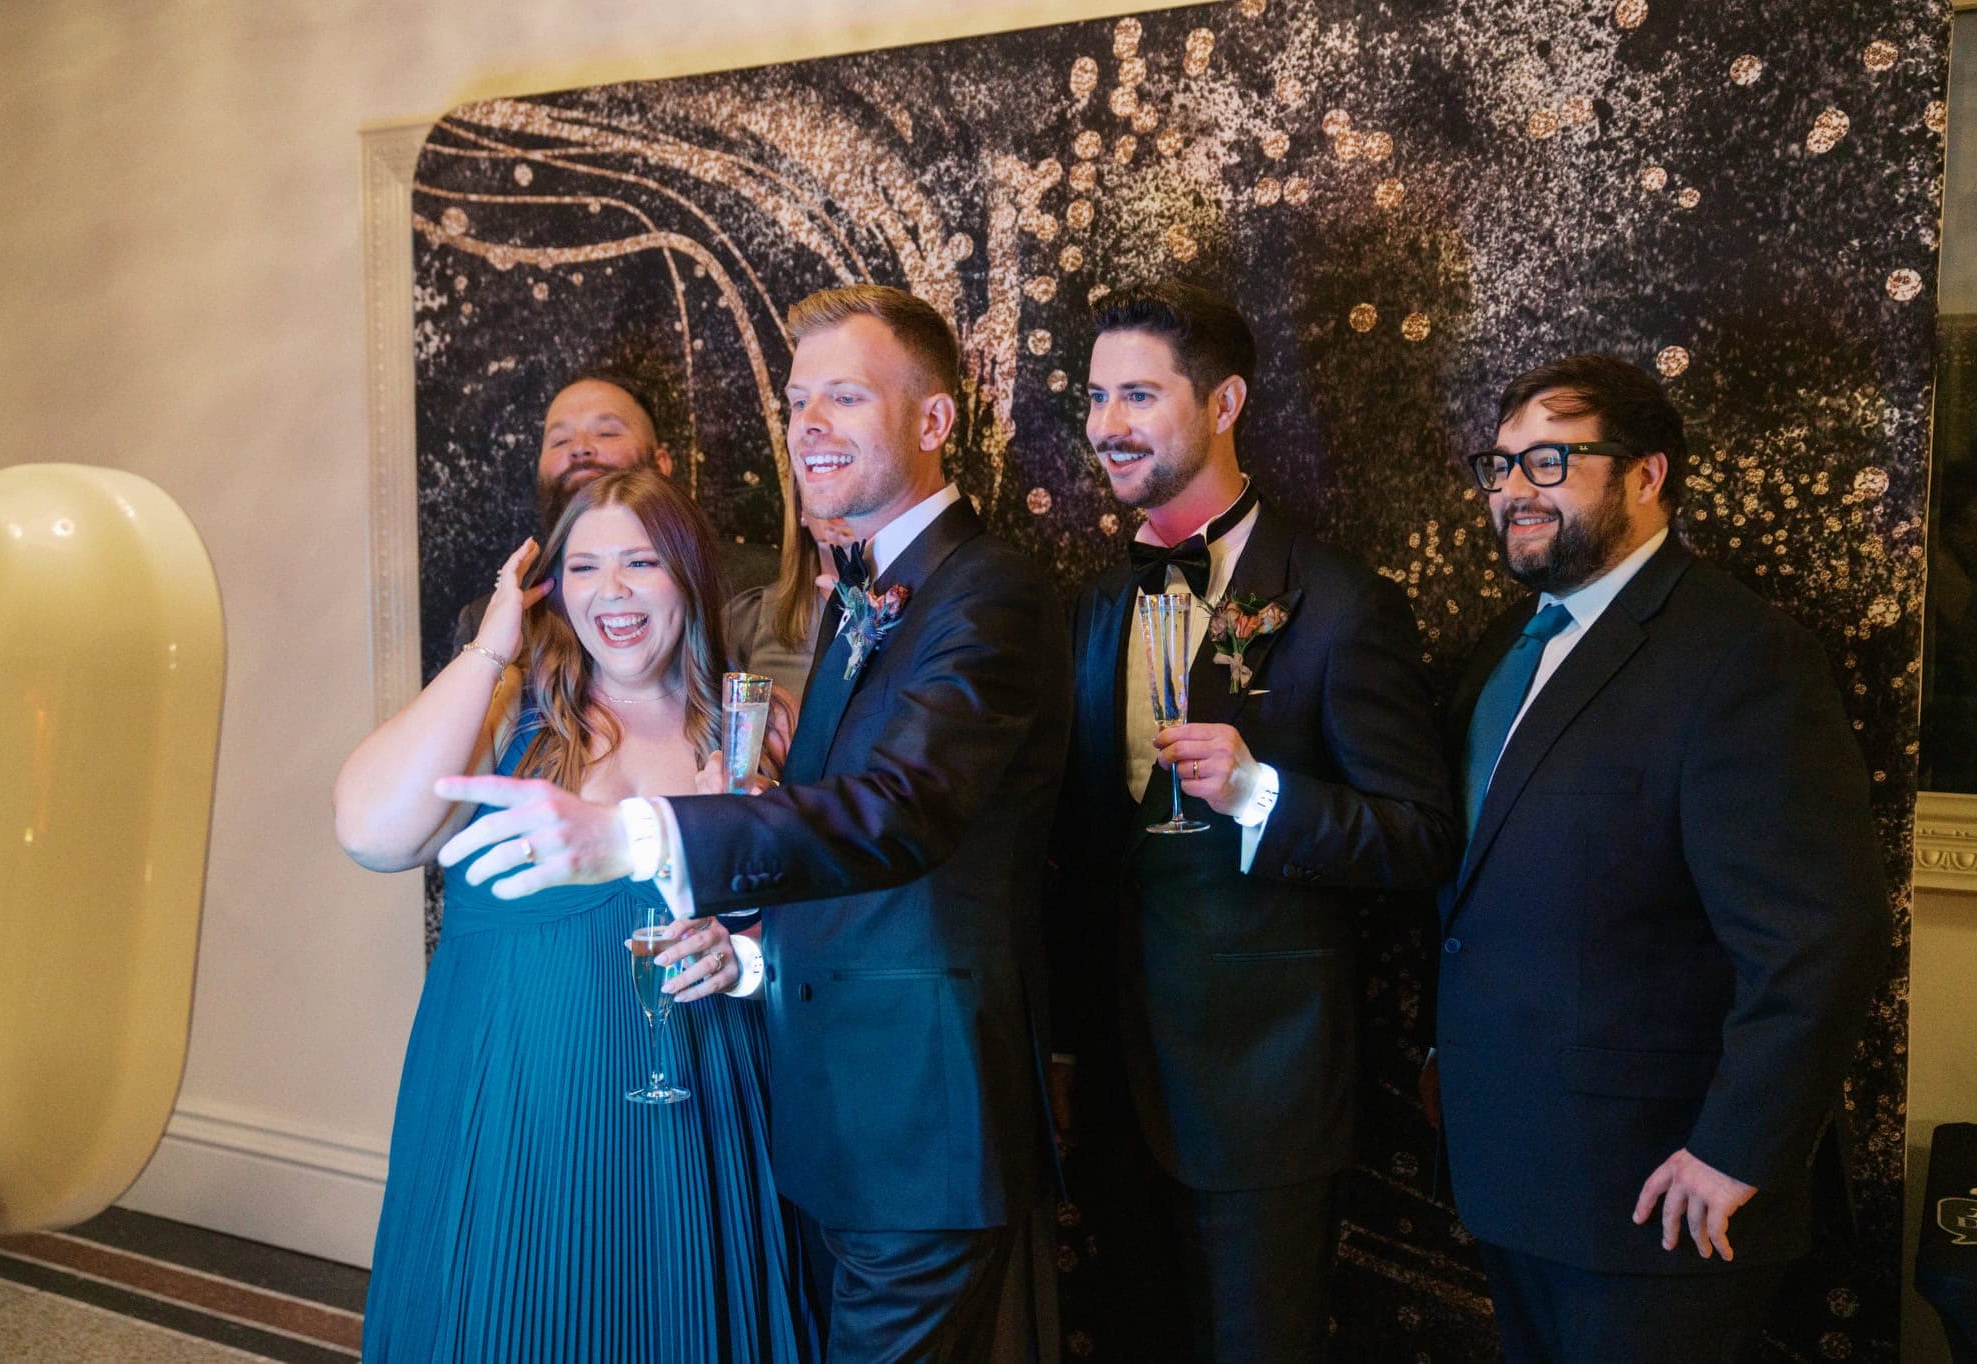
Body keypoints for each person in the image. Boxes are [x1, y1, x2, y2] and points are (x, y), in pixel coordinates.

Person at [432, 284, 1073, 1363]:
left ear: (933, 420)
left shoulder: (987, 591)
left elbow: (901, 812)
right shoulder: (872, 594)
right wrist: (752, 957)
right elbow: (852, 868)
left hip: (919, 1130)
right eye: (796, 401)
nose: (807, 424)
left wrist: (635, 834)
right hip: (829, 1121)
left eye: (844, 397)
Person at [1431, 353, 1888, 1363]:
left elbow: (1821, 938)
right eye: (1499, 464)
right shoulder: (1504, 647)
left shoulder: (1741, 654)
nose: (1513, 489)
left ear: (1646, 475)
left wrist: (1734, 1150)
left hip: (1664, 1198)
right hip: (1515, 1173)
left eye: (1550, 461)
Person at [1048, 282, 1457, 1363]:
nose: (1105, 424)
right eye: (1095, 396)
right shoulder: (1090, 607)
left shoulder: (1340, 603)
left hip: (1263, 1097)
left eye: (1138, 395)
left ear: (1224, 403)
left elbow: (1419, 835)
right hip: (1114, 1092)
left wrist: (1260, 797)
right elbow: (1080, 851)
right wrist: (1063, 1045)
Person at [334, 469, 817, 1363]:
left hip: (700, 1107)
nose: (613, 591)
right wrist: (490, 648)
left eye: (642, 562)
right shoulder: (509, 707)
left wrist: (746, 947)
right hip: (519, 1106)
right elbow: (370, 833)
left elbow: (825, 912)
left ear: (688, 574)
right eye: (586, 568)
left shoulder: (755, 720)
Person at [452, 366, 780, 650]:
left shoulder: (764, 584)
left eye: (607, 433)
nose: (581, 448)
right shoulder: (492, 621)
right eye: (560, 440)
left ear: (661, 463)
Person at [722, 472, 852, 698]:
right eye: (821, 475)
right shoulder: (749, 621)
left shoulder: (916, 617)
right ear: (801, 507)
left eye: (851, 480)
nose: (838, 498)